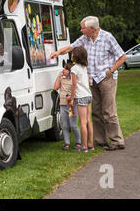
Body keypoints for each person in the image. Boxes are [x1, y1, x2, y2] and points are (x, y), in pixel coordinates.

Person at [50, 16, 127, 151]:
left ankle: (117, 141)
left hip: (107, 78)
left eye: (83, 28)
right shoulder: (85, 38)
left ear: (92, 29)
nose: (81, 30)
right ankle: (101, 140)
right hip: (92, 80)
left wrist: (111, 70)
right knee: (96, 111)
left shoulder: (107, 37)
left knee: (108, 111)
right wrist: (57, 52)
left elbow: (122, 57)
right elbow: (71, 47)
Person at [69, 47, 93, 153]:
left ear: (76, 56)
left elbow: (74, 85)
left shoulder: (74, 69)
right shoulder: (84, 67)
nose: (71, 55)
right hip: (88, 95)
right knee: (88, 121)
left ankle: (84, 146)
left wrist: (72, 98)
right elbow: (87, 80)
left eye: (72, 54)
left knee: (82, 122)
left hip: (81, 97)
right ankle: (90, 144)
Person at [54, 63, 81, 151]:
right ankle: (67, 143)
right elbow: (55, 88)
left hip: (71, 106)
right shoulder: (62, 79)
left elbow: (76, 91)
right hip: (62, 106)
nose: (63, 70)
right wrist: (59, 76)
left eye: (65, 69)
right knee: (64, 125)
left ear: (70, 71)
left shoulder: (73, 81)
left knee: (73, 125)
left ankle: (78, 142)